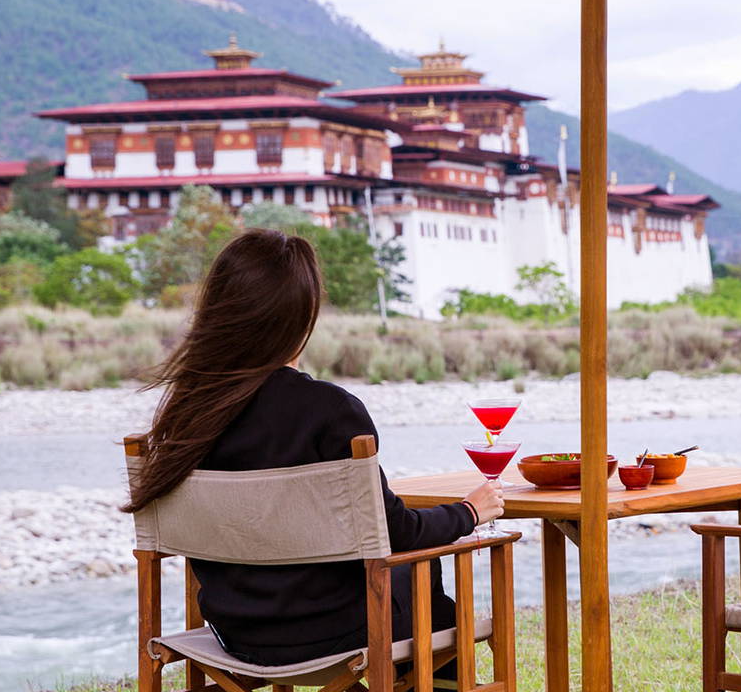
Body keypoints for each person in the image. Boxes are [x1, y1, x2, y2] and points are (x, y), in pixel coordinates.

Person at [122, 228, 504, 668]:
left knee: (413, 584)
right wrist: (469, 512)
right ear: (303, 316)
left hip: (234, 635)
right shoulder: (331, 411)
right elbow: (394, 532)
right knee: (425, 582)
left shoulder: (187, 412)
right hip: (339, 634)